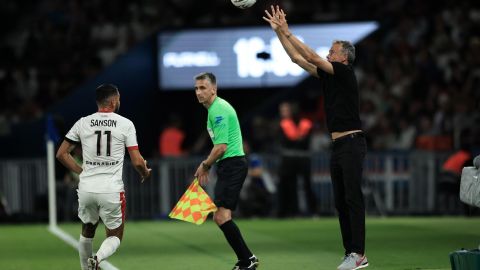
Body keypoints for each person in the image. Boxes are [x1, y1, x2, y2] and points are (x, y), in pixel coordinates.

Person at [264, 6, 368, 270]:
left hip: (352, 143)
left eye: (332, 52)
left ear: (343, 58)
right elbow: (299, 60)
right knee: (340, 202)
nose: (327, 54)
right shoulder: (331, 77)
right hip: (339, 145)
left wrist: (288, 31)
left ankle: (359, 254)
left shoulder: (345, 72)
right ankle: (350, 253)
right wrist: (280, 34)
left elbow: (310, 54)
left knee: (353, 199)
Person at [56, 84, 151, 270]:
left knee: (87, 230)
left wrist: (81, 171)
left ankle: (86, 268)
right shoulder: (125, 124)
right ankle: (97, 258)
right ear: (114, 101)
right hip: (111, 189)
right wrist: (145, 173)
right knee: (115, 236)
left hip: (86, 188)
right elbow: (138, 161)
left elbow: (61, 154)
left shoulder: (83, 122)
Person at [193, 72, 259, 270]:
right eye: (196, 88)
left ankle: (247, 259)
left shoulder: (218, 110)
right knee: (220, 216)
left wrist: (205, 165)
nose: (198, 92)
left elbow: (221, 146)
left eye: (203, 88)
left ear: (214, 89)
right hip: (229, 165)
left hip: (232, 165)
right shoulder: (215, 108)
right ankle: (246, 259)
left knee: (221, 217)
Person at [277, 101, 317, 217]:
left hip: (297, 158)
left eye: (285, 110)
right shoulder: (287, 124)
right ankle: (295, 211)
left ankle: (310, 211)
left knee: (304, 185)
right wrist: (298, 139)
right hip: (295, 158)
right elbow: (298, 141)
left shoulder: (302, 123)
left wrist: (296, 140)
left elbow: (293, 141)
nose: (283, 113)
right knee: (293, 185)